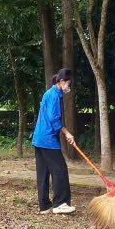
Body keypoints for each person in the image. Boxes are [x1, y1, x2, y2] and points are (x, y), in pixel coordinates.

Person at [31, 68, 76, 214]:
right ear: (62, 81)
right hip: (47, 139)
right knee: (60, 170)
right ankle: (60, 204)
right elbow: (53, 118)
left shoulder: (50, 93)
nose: (69, 87)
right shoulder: (54, 95)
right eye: (69, 84)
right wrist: (67, 133)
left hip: (39, 138)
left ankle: (44, 206)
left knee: (43, 172)